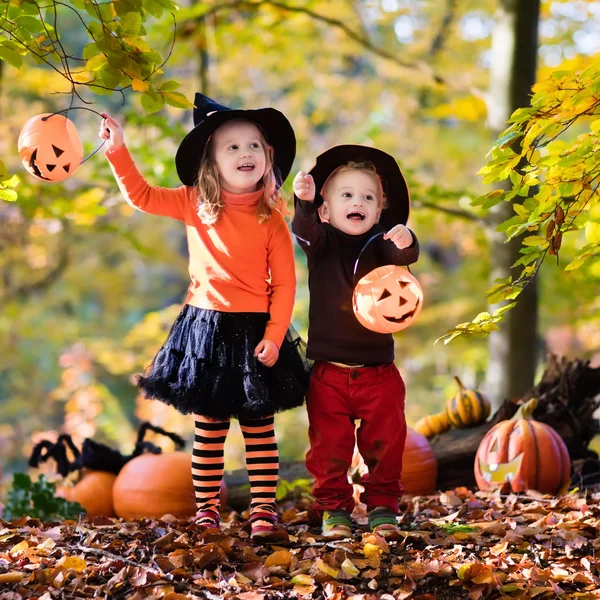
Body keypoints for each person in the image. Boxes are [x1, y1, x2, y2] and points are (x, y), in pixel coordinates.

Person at [100, 93, 308, 542]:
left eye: (253, 145)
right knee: (209, 427)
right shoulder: (194, 202)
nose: (244, 153)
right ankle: (207, 510)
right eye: (230, 147)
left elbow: (286, 285)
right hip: (205, 330)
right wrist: (117, 149)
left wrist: (275, 335)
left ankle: (263, 511)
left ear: (267, 155)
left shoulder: (271, 216)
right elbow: (141, 196)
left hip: (256, 329)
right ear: (212, 161)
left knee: (259, 427)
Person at [292, 145, 419, 539]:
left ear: (380, 211)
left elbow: (405, 255)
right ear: (327, 209)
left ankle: (383, 506)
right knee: (328, 449)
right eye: (346, 195)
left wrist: (405, 237)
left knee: (386, 444)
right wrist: (304, 202)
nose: (357, 202)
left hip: (379, 372)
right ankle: (334, 509)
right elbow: (304, 229)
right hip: (329, 373)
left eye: (367, 197)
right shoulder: (322, 243)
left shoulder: (381, 244)